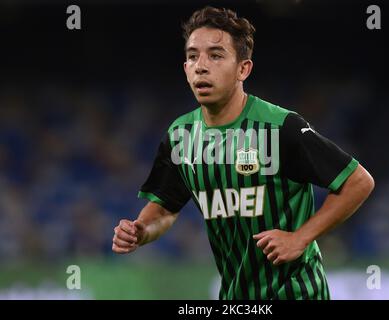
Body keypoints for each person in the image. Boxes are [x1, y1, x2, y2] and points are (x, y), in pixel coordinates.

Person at [112, 6, 374, 300]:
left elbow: (358, 181)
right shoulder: (180, 136)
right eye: (192, 56)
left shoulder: (279, 127)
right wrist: (141, 230)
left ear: (243, 69)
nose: (200, 65)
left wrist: (300, 238)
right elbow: (164, 209)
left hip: (296, 293)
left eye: (215, 55)